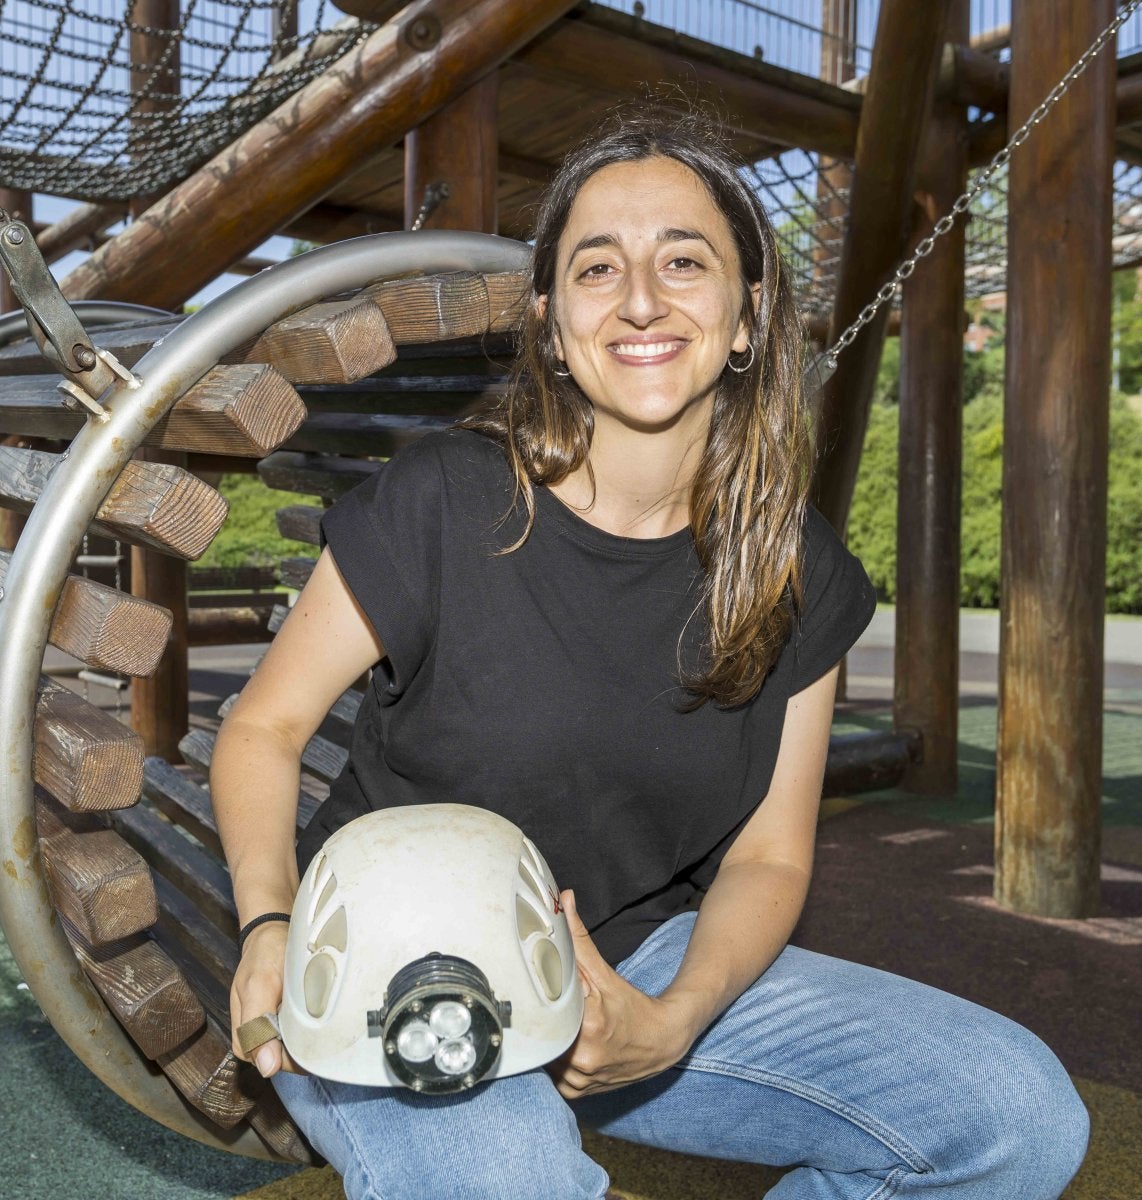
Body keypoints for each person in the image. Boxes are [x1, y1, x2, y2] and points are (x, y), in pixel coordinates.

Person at [211, 110, 1089, 1200]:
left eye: (683, 259)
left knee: (1012, 1117)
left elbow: (769, 861)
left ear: (747, 314)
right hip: (397, 969)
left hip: (635, 961)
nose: (639, 299)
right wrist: (271, 919)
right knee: (513, 1183)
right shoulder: (447, 499)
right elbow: (265, 729)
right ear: (550, 321)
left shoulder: (793, 568)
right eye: (596, 268)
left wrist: (673, 1020)